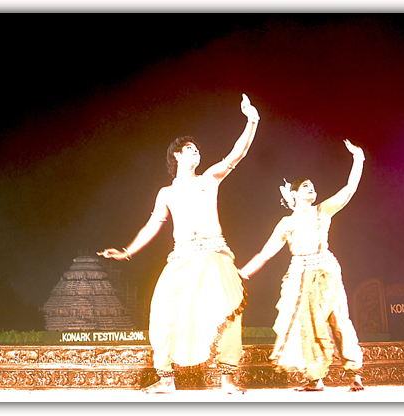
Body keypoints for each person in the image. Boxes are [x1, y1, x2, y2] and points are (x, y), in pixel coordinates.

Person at [97, 94, 260, 394]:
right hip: (181, 257)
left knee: (228, 309)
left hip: (214, 254)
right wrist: (128, 251)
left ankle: (227, 378)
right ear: (176, 156)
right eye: (190, 149)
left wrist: (252, 121)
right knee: (162, 310)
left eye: (198, 149)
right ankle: (166, 379)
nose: (196, 152)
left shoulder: (209, 178)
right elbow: (152, 226)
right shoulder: (165, 193)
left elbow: (237, 154)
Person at [238, 139, 365, 392]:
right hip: (299, 274)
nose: (311, 189)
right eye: (305, 186)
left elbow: (349, 189)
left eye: (312, 187)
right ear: (294, 195)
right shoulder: (286, 223)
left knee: (338, 319)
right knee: (306, 326)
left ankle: (354, 375)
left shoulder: (323, 211)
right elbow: (265, 253)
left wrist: (358, 159)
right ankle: (315, 378)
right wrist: (242, 272)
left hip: (325, 270)